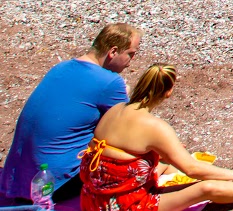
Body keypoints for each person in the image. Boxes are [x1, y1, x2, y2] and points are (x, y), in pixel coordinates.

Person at [80, 65, 233, 211]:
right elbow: (193, 168)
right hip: (122, 206)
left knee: (169, 169)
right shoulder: (154, 127)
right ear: (168, 92)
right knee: (206, 187)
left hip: (92, 198)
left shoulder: (114, 110)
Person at [1, 24, 142, 204]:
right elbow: (133, 129)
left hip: (19, 180)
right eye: (130, 53)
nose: (132, 60)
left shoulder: (61, 68)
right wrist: (125, 97)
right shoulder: (110, 82)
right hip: (55, 184)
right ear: (113, 52)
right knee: (136, 161)